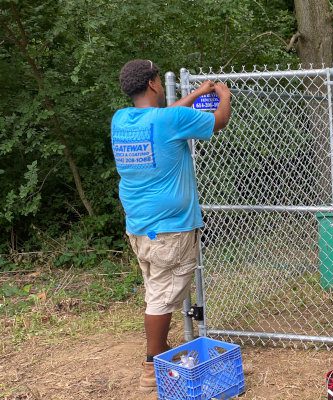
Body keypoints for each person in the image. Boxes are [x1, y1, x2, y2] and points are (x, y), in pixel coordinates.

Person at [111, 59, 232, 390]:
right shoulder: (170, 120)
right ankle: (152, 364)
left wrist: (195, 93)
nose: (162, 87)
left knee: (155, 289)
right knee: (162, 297)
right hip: (171, 228)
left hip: (140, 226)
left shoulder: (121, 120)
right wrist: (223, 95)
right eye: (159, 80)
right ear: (152, 83)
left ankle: (159, 350)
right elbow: (218, 121)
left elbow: (165, 118)